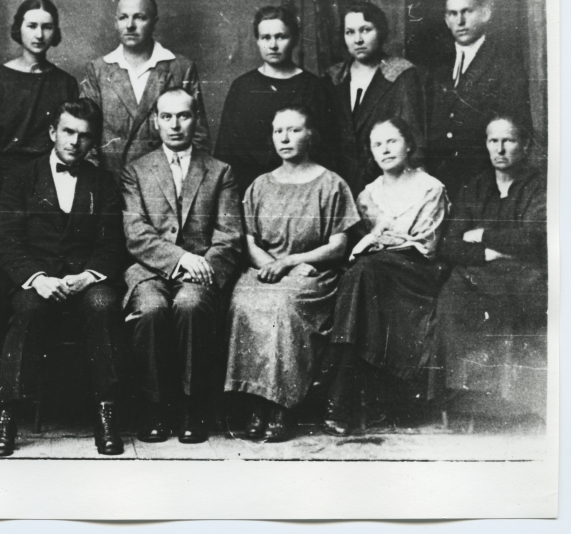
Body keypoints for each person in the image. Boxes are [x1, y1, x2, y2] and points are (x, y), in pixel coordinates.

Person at [0, 99, 127, 457]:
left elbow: (112, 244)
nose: (74, 142)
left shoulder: (103, 182)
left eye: (84, 136)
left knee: (104, 305)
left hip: (86, 282)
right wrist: (37, 278)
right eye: (68, 132)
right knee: (27, 310)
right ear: (53, 132)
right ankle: (6, 416)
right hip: (38, 281)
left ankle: (106, 414)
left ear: (93, 141)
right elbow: (7, 241)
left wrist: (88, 276)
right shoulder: (21, 177)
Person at [224, 106, 360, 441]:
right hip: (265, 270)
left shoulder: (331, 184)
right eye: (278, 131)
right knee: (243, 302)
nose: (284, 138)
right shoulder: (259, 185)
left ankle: (280, 406)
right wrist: (271, 265)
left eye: (294, 130)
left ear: (310, 135)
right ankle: (255, 403)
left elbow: (339, 246)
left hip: (313, 274)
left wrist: (290, 262)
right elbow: (250, 241)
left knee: (282, 307)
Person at [121, 88, 243, 444]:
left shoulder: (219, 171)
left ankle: (193, 408)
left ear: (196, 120)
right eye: (167, 117)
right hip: (149, 269)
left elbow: (229, 235)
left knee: (190, 305)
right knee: (151, 309)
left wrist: (200, 265)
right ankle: (155, 407)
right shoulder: (136, 171)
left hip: (202, 270)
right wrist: (179, 259)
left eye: (184, 116)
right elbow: (135, 233)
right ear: (156, 122)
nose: (175, 125)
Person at [324, 117, 449, 436]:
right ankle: (345, 395)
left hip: (416, 272)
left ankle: (338, 396)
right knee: (363, 274)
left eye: (392, 141)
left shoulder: (430, 188)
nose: (385, 149)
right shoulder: (367, 195)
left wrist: (379, 238)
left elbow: (425, 244)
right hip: (376, 273)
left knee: (362, 272)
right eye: (377, 144)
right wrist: (381, 239)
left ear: (408, 145)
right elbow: (375, 240)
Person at [436, 115, 546, 418]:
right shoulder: (476, 188)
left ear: (524, 145)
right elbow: (449, 244)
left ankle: (510, 402)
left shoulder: (538, 187)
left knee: (510, 302)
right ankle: (464, 398)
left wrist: (483, 234)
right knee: (452, 297)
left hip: (524, 275)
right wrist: (490, 254)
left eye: (508, 140)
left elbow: (535, 239)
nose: (500, 149)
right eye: (493, 141)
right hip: (478, 272)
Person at [81, 0, 210, 181]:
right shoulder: (98, 69)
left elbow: (198, 137)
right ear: (115, 22)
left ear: (154, 22)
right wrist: (96, 183)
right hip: (110, 183)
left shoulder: (180, 68)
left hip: (165, 185)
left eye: (139, 17)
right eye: (123, 17)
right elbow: (85, 133)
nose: (130, 25)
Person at [426, 0, 532, 199]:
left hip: (485, 181)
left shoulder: (504, 64)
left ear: (485, 14)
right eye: (453, 14)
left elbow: (515, 125)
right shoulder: (439, 66)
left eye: (467, 11)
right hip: (441, 178)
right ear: (446, 20)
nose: (460, 21)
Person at [215, 5, 330, 195]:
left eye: (281, 37)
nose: (273, 45)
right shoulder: (242, 87)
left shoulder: (314, 87)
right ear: (257, 40)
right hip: (249, 191)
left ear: (294, 39)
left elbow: (326, 150)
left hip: (303, 190)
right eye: (265, 37)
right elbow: (225, 152)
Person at [323, 2, 426, 196]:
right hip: (337, 185)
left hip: (386, 183)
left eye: (366, 30)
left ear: (380, 31)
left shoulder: (401, 74)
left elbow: (413, 138)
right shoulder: (333, 77)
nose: (358, 40)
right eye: (350, 32)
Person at [0, 0, 79, 179]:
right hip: (1, 181)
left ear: (55, 31)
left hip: (50, 180)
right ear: (19, 28)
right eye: (31, 26)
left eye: (47, 27)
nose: (39, 35)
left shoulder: (65, 83)